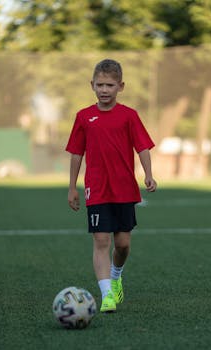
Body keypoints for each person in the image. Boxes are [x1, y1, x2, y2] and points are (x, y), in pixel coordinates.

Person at [66, 59, 157, 313]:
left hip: (125, 188)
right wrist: (72, 187)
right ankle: (107, 295)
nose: (104, 90)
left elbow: (142, 147)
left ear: (121, 86)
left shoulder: (129, 116)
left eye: (110, 85)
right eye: (100, 85)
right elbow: (76, 153)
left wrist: (149, 175)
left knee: (123, 244)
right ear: (92, 85)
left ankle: (116, 277)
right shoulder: (84, 117)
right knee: (101, 240)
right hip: (96, 188)